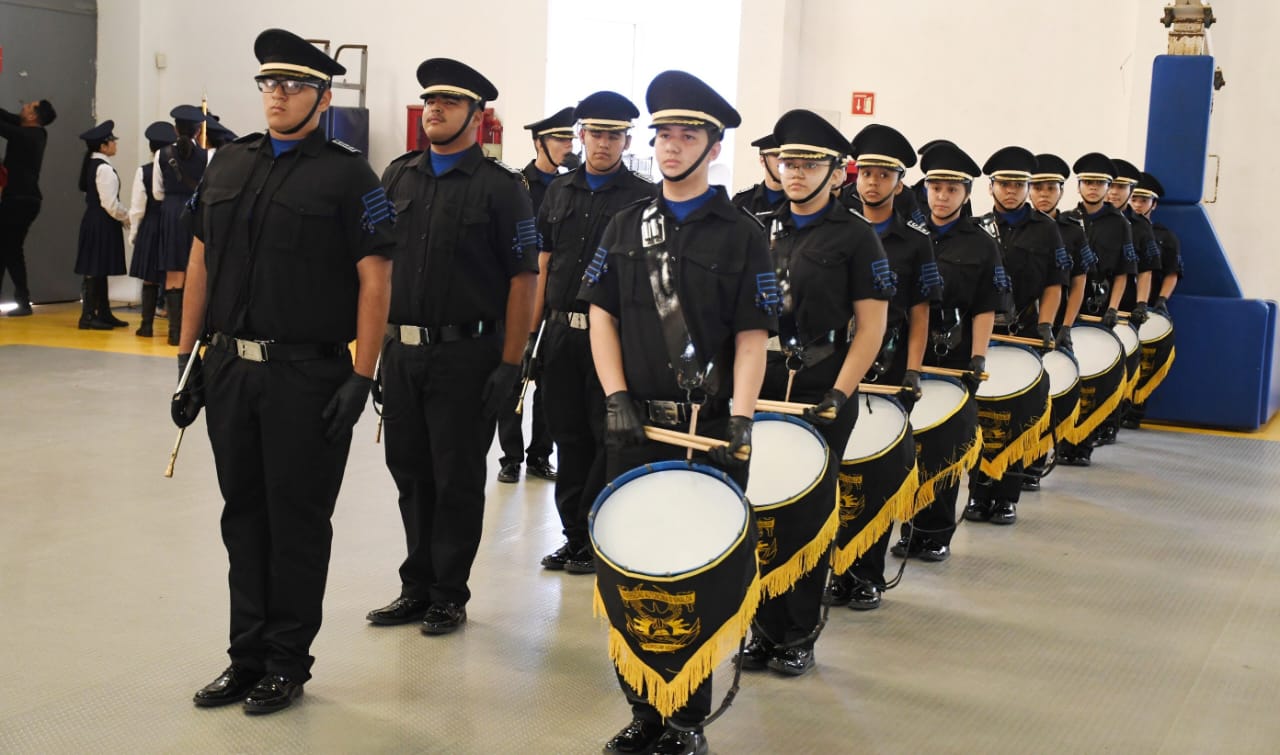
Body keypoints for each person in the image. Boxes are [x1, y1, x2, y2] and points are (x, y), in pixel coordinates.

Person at [177, 28, 394, 714]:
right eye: (270, 84)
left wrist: (363, 374)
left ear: (323, 98)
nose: (278, 95)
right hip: (231, 371)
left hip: (307, 376)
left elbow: (375, 279)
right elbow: (201, 261)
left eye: (294, 85)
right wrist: (188, 360)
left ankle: (287, 661)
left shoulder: (350, 175)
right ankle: (245, 656)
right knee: (242, 515)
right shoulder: (228, 163)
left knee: (296, 520)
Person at [583, 70, 772, 755]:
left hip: (706, 428)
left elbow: (753, 336)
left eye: (687, 133)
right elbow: (599, 315)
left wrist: (743, 421)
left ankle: (686, 717)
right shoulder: (625, 223)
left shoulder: (744, 233)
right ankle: (642, 707)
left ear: (713, 146)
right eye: (663, 132)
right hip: (634, 429)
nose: (670, 144)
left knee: (691, 574)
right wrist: (614, 397)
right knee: (632, 565)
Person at [366, 58, 539, 636]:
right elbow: (373, 265)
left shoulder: (502, 188)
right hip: (403, 352)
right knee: (409, 472)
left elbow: (523, 279)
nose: (434, 109)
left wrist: (510, 364)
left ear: (476, 114)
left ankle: (448, 593)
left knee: (457, 475)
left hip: (468, 357)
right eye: (430, 100)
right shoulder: (397, 176)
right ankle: (415, 586)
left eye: (449, 102)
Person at [742, 109, 889, 675]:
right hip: (761, 383)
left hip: (821, 383)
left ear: (836, 171)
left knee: (805, 512)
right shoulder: (759, 227)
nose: (795, 173)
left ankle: (797, 632)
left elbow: (871, 327)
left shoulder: (856, 236)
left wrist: (841, 392)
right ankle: (760, 626)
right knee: (759, 509)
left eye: (808, 163)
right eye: (788, 162)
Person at [534, 91, 655, 574]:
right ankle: (572, 537)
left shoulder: (644, 197)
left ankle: (594, 533)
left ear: (627, 140)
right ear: (580, 136)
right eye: (595, 134)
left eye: (613, 135)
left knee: (609, 437)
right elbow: (544, 264)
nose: (603, 144)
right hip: (561, 333)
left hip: (615, 341)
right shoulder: (559, 191)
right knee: (567, 436)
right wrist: (530, 336)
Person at [830, 123, 940, 610]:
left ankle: (866, 573)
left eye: (883, 175)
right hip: (834, 370)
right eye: (865, 173)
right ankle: (832, 567)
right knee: (834, 472)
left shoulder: (916, 242)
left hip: (888, 370)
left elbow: (920, 313)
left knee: (874, 475)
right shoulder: (836, 229)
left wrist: (912, 371)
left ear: (899, 181)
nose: (871, 183)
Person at [891, 141, 1007, 563]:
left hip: (952, 356)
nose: (942, 196)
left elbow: (986, 305)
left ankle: (935, 531)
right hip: (904, 357)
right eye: (935, 187)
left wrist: (977, 359)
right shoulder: (904, 238)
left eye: (951, 189)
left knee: (942, 445)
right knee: (904, 445)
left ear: (966, 193)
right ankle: (908, 525)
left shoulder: (981, 244)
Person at [964, 146, 1068, 525]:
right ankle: (977, 493)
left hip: (1022, 332)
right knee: (982, 416)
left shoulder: (1046, 228)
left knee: (1016, 416)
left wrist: (1047, 325)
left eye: (1019, 184)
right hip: (982, 335)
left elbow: (1056, 283)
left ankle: (1007, 496)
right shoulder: (975, 228)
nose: (1011, 191)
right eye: (1004, 183)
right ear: (991, 186)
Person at [493, 107, 576, 484]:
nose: (567, 145)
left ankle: (540, 454)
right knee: (513, 375)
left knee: (549, 381)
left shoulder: (569, 187)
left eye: (570, 138)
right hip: (518, 291)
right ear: (539, 142)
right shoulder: (516, 185)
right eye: (560, 138)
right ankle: (510, 457)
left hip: (554, 294)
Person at [1056, 152, 1137, 467]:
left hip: (1099, 308)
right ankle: (1063, 440)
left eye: (1099, 183)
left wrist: (1113, 308)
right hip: (1066, 310)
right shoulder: (1066, 221)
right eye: (1087, 182)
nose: (1092, 188)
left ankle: (1083, 444)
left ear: (1108, 187)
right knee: (1067, 376)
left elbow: (1123, 271)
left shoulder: (1120, 224)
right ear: (1078, 186)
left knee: (1091, 377)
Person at [1023, 152, 1097, 489]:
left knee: (1047, 396)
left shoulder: (1072, 231)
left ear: (1061, 192)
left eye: (1050, 188)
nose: (1043, 194)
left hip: (1054, 323)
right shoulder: (1012, 228)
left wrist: (1065, 325)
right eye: (1037, 187)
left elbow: (1079, 282)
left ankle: (1035, 462)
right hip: (1018, 326)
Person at [1123, 170, 1181, 428]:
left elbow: (1172, 273)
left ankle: (1135, 411)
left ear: (1153, 204)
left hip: (1148, 307)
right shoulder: (1121, 228)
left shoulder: (1165, 236)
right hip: (1121, 305)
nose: (1137, 204)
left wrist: (1161, 301)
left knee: (1144, 360)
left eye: (1144, 200)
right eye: (1134, 198)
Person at [154, 104, 209, 345]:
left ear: (175, 130)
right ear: (198, 130)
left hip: (170, 212)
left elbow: (157, 192)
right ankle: (193, 332)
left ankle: (174, 332)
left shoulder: (162, 154)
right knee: (195, 272)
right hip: (195, 213)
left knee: (173, 273)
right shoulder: (208, 156)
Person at [0, 98, 56, 316]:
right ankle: (22, 299)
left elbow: (4, 126)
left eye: (28, 106)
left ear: (33, 116)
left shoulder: (30, 136)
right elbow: (5, 115)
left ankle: (23, 300)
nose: (22, 106)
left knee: (10, 249)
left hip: (20, 201)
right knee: (8, 249)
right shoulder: (32, 130)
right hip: (22, 200)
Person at [74, 121, 130, 330]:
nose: (115, 144)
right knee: (95, 268)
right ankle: (88, 316)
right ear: (103, 146)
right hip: (102, 222)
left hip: (95, 220)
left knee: (99, 267)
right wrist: (127, 217)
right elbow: (110, 204)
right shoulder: (104, 169)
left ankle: (103, 312)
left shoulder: (92, 164)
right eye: (112, 141)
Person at [127, 121, 176, 337]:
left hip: (152, 224)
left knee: (150, 277)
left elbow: (138, 207)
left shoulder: (144, 171)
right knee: (174, 277)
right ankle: (175, 329)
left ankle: (146, 325)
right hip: (173, 225)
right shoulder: (179, 169)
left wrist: (134, 233)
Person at [731, 134, 785, 218]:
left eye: (788, 157)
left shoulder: (802, 201)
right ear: (763, 160)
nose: (784, 162)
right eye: (778, 155)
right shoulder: (742, 201)